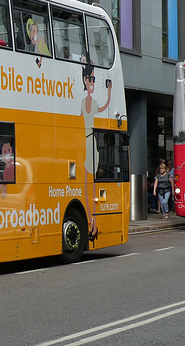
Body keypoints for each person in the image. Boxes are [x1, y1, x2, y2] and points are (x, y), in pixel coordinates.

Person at [81, 57, 112, 241]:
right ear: (85, 80)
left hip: (91, 145)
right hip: (85, 143)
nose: (92, 82)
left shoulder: (92, 104)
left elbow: (105, 107)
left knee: (90, 190)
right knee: (85, 188)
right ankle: (91, 222)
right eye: (90, 79)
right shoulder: (83, 102)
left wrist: (109, 92)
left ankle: (92, 223)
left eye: (93, 79)